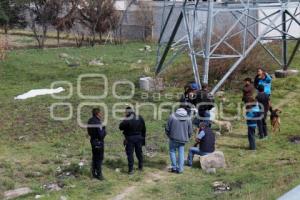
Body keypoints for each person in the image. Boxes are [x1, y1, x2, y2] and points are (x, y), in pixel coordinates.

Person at [119, 107, 146, 174]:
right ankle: (140, 167)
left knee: (130, 154)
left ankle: (131, 170)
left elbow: (120, 127)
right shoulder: (140, 117)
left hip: (130, 138)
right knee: (139, 153)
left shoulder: (127, 119)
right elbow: (144, 129)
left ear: (128, 112)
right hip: (139, 137)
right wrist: (143, 138)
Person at [165, 107, 193, 173]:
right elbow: (190, 131)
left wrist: (169, 135)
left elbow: (167, 128)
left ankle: (174, 168)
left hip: (173, 138)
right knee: (181, 153)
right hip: (183, 139)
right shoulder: (188, 118)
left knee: (172, 151)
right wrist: (188, 137)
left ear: (177, 111)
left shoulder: (172, 116)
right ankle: (180, 169)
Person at [87, 108, 106, 180]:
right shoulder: (98, 122)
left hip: (92, 140)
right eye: (100, 113)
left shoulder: (90, 121)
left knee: (94, 157)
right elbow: (101, 135)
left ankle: (93, 173)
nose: (101, 114)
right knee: (99, 158)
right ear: (97, 114)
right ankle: (99, 175)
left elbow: (89, 132)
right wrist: (104, 130)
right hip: (99, 142)